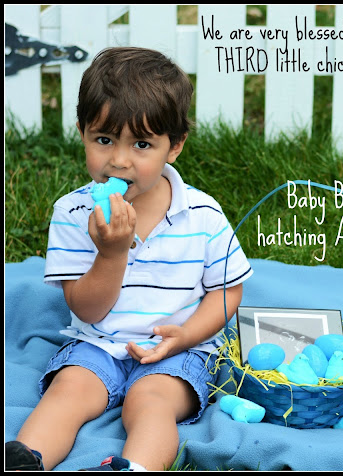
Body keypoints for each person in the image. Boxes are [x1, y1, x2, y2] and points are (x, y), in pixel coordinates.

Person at [4, 47, 253, 471]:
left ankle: (134, 467)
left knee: (150, 402)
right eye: (104, 140)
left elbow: (227, 291)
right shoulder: (74, 212)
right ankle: (26, 460)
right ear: (82, 132)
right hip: (97, 342)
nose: (119, 161)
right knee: (68, 390)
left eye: (141, 144)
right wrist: (111, 253)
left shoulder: (202, 214)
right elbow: (87, 309)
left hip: (175, 352)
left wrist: (187, 335)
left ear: (174, 146)